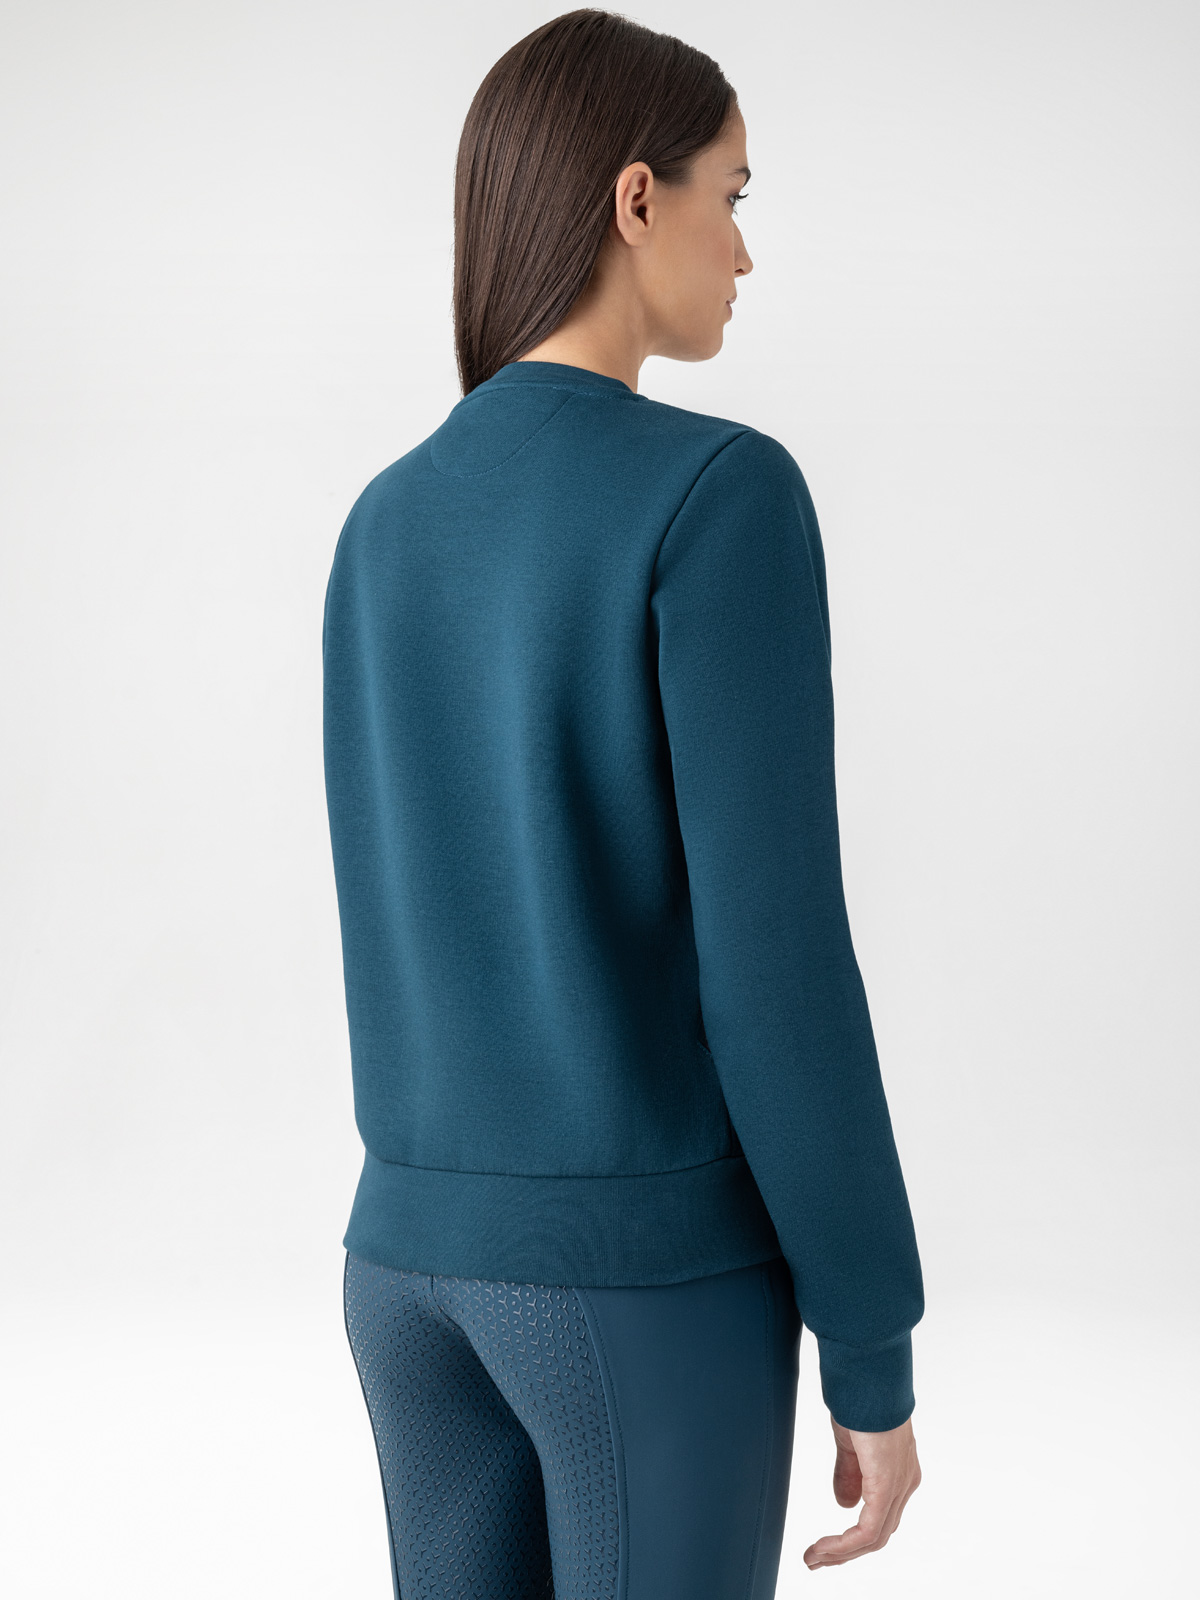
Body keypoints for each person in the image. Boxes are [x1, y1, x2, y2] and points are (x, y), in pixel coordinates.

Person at [322, 10, 924, 1597]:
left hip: (404, 1274)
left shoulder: (384, 522)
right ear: (636, 197)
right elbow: (778, 967)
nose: (746, 251)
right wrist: (872, 1339)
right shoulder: (718, 495)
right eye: (735, 195)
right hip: (635, 1277)